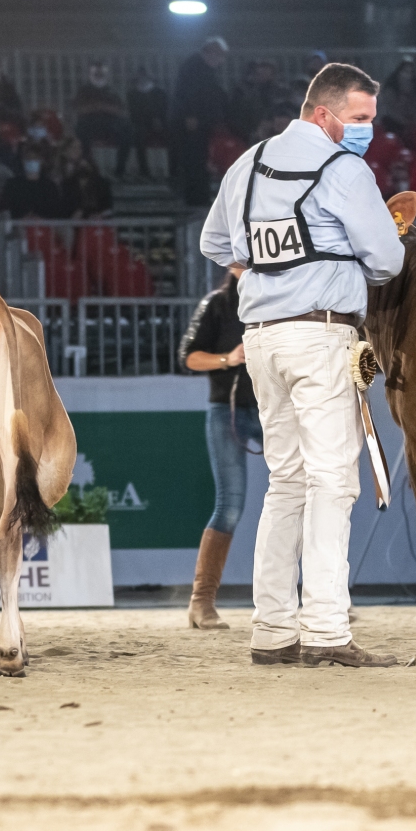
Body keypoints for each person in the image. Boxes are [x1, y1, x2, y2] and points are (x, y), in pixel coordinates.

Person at [200, 62, 405, 668]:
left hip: (262, 339)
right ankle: (325, 630)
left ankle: (271, 630)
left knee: (286, 481)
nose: (367, 129)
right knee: (332, 482)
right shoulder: (344, 169)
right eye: (360, 117)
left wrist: (265, 274)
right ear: (323, 113)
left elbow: (214, 243)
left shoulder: (247, 163)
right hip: (320, 334)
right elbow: (387, 259)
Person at [178, 265, 259, 630]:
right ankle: (201, 602)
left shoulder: (280, 301)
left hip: (275, 410)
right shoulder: (217, 304)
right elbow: (188, 356)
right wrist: (229, 358)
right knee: (229, 506)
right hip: (227, 411)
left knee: (305, 495)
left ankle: (324, 595)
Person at [172, 37, 229, 205]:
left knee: (199, 159)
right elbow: (188, 93)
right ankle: (196, 197)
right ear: (211, 52)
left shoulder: (200, 67)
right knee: (194, 159)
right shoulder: (194, 67)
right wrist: (191, 115)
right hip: (194, 121)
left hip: (200, 120)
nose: (220, 59)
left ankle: (198, 196)